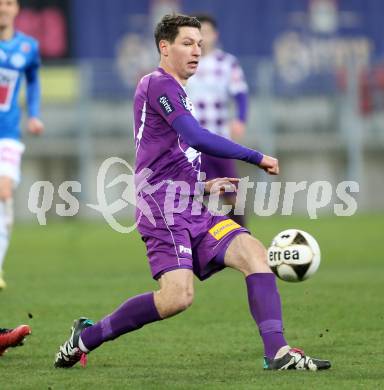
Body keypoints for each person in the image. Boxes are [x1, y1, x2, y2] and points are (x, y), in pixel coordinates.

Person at [54, 14, 331, 371]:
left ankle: (278, 353)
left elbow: (167, 155)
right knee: (177, 297)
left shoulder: (177, 90)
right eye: (187, 43)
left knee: (253, 253)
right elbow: (198, 138)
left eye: (199, 44)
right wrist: (256, 157)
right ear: (164, 47)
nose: (197, 51)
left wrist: (202, 186)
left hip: (191, 205)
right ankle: (85, 338)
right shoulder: (157, 84)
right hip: (162, 211)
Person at [186, 14, 248, 226]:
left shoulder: (227, 62)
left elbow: (240, 93)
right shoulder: (185, 62)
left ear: (215, 35)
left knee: (231, 193)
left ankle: (242, 236)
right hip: (192, 141)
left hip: (219, 138)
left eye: (207, 33)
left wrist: (240, 119)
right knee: (197, 193)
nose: (203, 37)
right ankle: (200, 244)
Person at [0, 0, 44, 289]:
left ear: (17, 9)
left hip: (8, 134)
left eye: (8, 2)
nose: (3, 7)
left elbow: (33, 80)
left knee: (3, 193)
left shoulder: (27, 47)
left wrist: (35, 115)